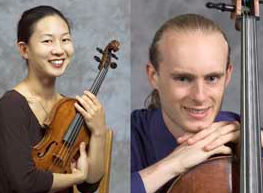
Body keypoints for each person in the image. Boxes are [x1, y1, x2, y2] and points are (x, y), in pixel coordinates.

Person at [131, 13, 263, 193]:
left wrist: (255, 148)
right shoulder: (127, 135)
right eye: (184, 78)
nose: (200, 96)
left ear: (228, 75)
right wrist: (172, 165)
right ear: (154, 76)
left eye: (212, 78)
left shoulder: (244, 134)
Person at [0, 5, 108, 193]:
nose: (59, 50)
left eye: (65, 39)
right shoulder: (11, 105)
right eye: (47, 41)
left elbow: (89, 185)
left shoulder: (69, 109)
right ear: (24, 49)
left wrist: (99, 132)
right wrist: (77, 176)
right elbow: (25, 183)